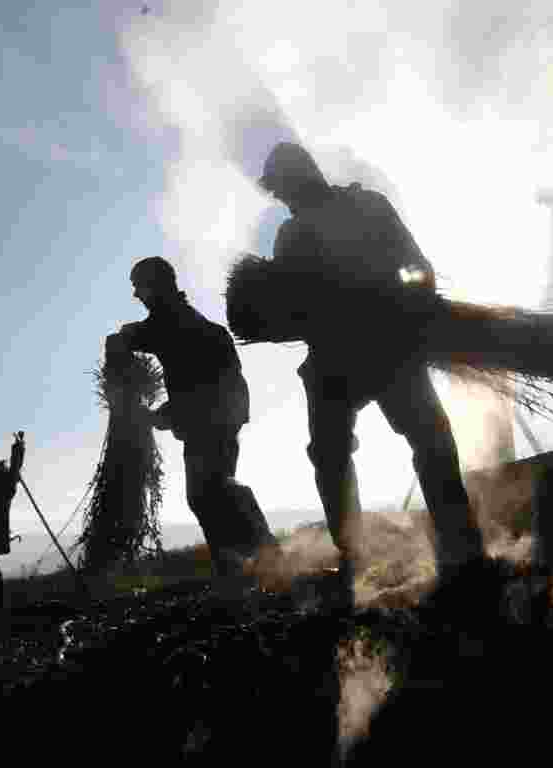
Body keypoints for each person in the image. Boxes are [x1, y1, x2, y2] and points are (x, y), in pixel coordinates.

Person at [256, 142, 486, 608]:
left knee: (429, 436)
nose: (282, 199)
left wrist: (414, 312)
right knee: (330, 452)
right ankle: (354, 554)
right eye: (277, 193)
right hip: (333, 358)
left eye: (283, 189)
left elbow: (417, 267)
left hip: (388, 345)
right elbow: (288, 306)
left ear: (303, 176)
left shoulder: (366, 206)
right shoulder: (289, 235)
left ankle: (461, 545)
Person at [107, 257, 277, 588]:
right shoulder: (181, 320)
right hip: (219, 414)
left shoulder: (173, 320)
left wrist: (119, 369)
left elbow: (136, 339)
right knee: (207, 493)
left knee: (211, 489)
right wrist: (167, 413)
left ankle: (263, 553)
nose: (137, 296)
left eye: (138, 288)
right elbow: (192, 374)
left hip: (214, 416)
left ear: (154, 286)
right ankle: (235, 568)